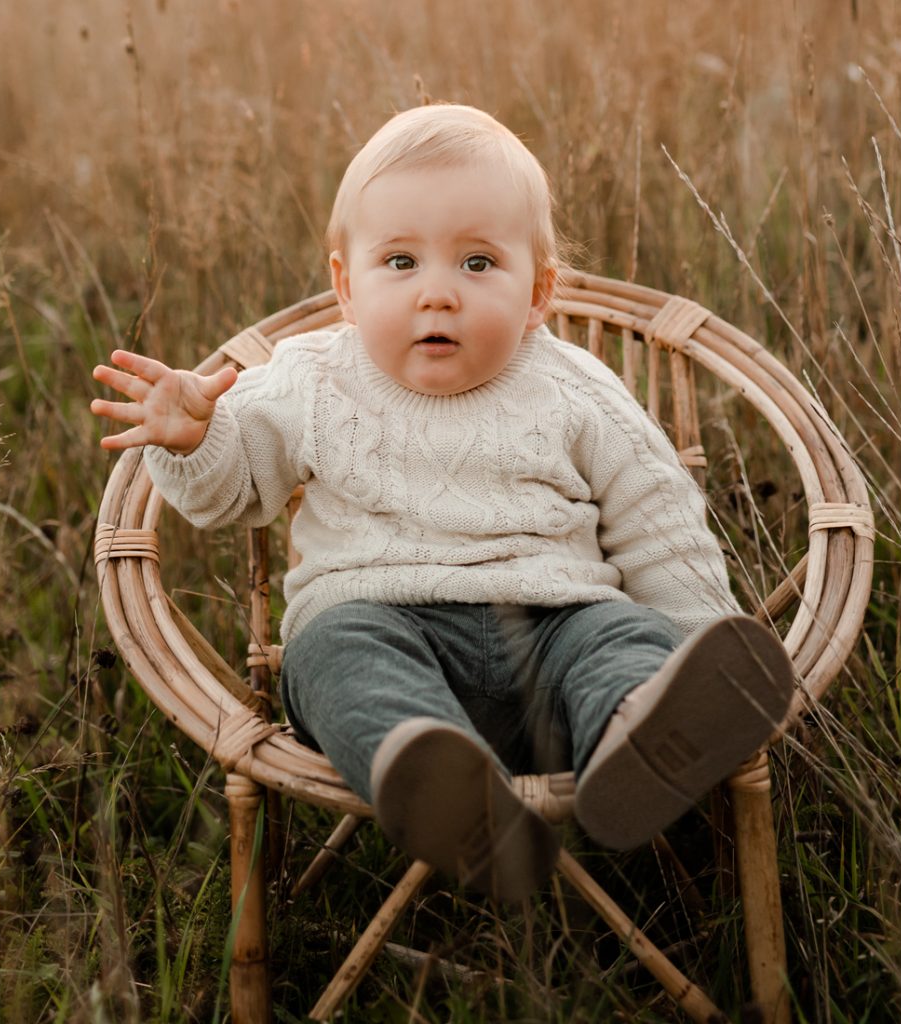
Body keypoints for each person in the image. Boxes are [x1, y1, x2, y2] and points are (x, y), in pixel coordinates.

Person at [91, 103, 793, 902]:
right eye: (400, 262)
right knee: (332, 656)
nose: (438, 294)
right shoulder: (309, 377)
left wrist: (696, 640)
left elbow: (657, 518)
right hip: (380, 620)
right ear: (345, 286)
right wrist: (194, 438)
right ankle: (434, 777)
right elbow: (234, 492)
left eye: (478, 264)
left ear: (539, 293)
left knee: (618, 640)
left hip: (555, 632)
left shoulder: (573, 387)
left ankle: (643, 724)